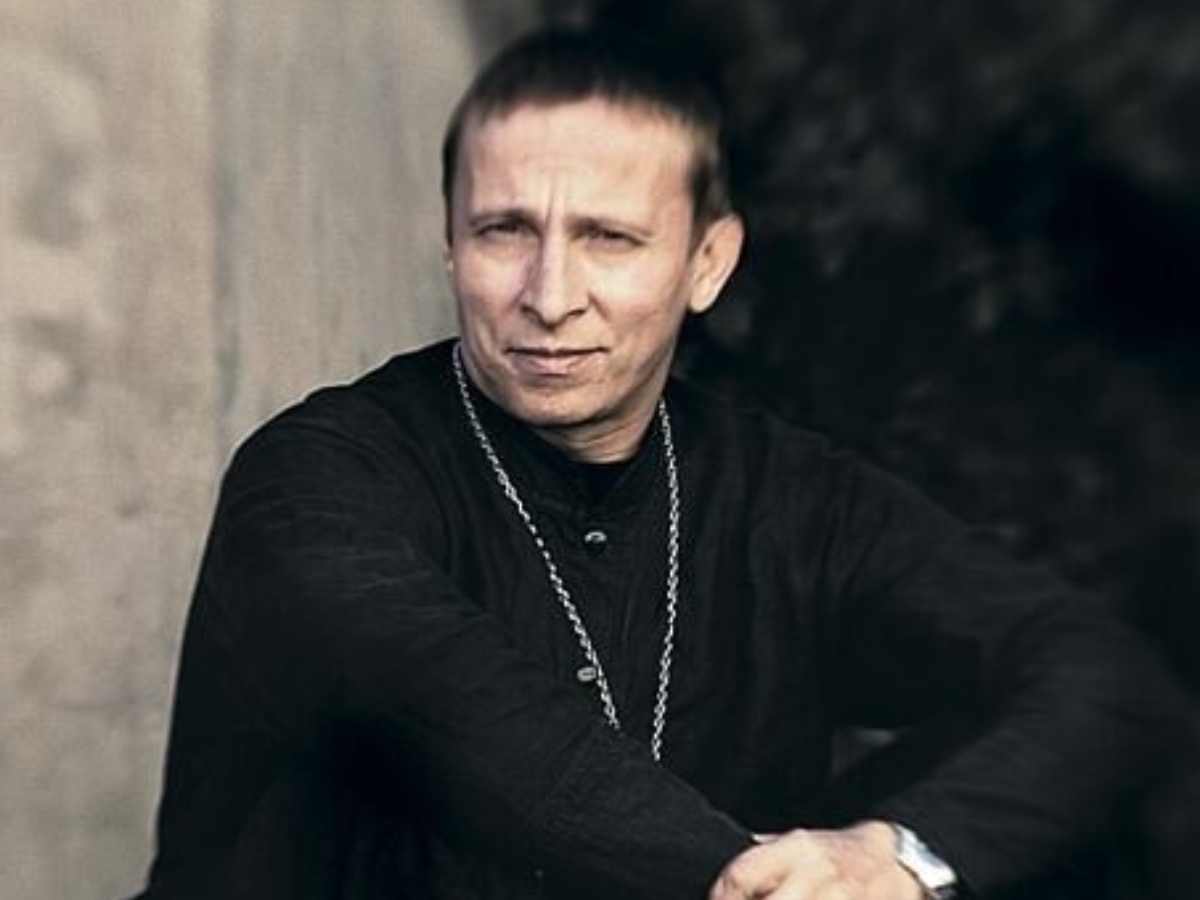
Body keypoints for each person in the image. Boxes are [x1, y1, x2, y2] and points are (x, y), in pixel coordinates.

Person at [136, 27, 1184, 900]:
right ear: (450, 242)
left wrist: (897, 858)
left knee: (1053, 817)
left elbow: (1104, 676)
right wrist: (764, 884)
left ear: (707, 262)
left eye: (610, 238)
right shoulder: (314, 477)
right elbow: (470, 716)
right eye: (505, 231)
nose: (551, 296)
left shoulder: (787, 495)